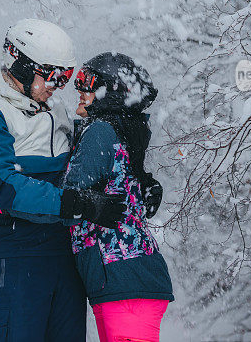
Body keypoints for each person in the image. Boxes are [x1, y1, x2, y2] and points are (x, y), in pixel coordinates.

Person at [0, 19, 127, 342]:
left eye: (64, 77)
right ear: (21, 65)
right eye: (51, 75)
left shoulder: (58, 111)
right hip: (15, 254)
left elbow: (98, 152)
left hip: (63, 255)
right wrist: (75, 203)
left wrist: (139, 177)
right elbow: (3, 187)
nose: (57, 85)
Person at [64, 52, 174, 342]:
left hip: (123, 283)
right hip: (127, 279)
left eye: (87, 84)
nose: (79, 90)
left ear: (110, 92)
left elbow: (67, 199)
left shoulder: (100, 132)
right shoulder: (122, 130)